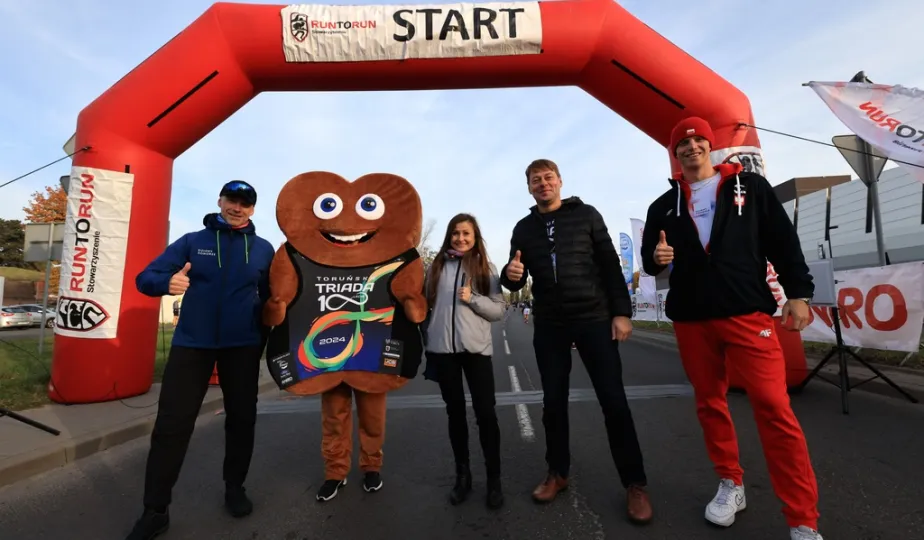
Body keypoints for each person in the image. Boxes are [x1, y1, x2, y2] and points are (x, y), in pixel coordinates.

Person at [640, 117, 822, 540]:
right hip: (691, 318)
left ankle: (803, 520)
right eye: (682, 144)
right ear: (675, 154)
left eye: (698, 140)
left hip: (746, 314)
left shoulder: (750, 188)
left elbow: (782, 240)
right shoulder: (662, 205)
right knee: (710, 403)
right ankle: (731, 483)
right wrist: (657, 256)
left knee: (774, 409)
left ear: (710, 145)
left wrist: (799, 292)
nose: (690, 148)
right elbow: (651, 262)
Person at [500, 159, 653, 525]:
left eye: (548, 177)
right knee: (552, 404)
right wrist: (510, 275)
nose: (543, 184)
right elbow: (513, 281)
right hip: (550, 324)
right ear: (529, 188)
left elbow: (610, 265)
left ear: (559, 181)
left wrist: (621, 312)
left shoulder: (586, 214)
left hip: (594, 319)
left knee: (613, 402)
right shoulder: (523, 228)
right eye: (535, 180)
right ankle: (558, 472)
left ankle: (635, 484)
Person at [125, 180, 275, 540]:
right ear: (220, 201)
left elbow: (274, 299)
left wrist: (266, 336)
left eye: (244, 203)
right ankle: (155, 509)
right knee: (171, 426)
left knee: (242, 420)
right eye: (231, 200)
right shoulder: (193, 241)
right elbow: (145, 277)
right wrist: (167, 283)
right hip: (193, 344)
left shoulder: (264, 249)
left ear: (252, 209)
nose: (236, 207)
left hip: (242, 346)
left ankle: (234, 487)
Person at [423, 213, 506, 509]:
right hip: (443, 353)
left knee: (486, 415)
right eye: (456, 233)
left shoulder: (485, 268)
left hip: (476, 353)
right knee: (455, 415)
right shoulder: (435, 267)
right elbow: (424, 307)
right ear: (449, 235)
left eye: (466, 234)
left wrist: (472, 298)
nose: (460, 238)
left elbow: (499, 311)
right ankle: (463, 476)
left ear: (475, 237)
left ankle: (494, 479)